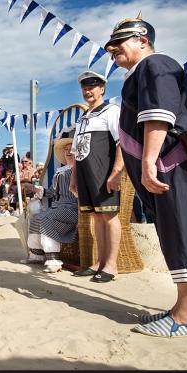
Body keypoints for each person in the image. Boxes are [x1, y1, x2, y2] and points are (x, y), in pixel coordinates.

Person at [104, 13, 187, 337]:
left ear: (142, 40)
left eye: (119, 45)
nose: (113, 53)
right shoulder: (139, 73)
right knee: (174, 233)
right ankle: (182, 306)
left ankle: (185, 316)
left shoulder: (155, 64)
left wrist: (149, 161)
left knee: (181, 233)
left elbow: (160, 115)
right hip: (166, 166)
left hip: (172, 164)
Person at [70, 70, 123, 283]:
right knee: (97, 217)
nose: (87, 90)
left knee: (109, 217)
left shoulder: (111, 111)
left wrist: (117, 172)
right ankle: (99, 262)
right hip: (85, 173)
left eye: (92, 86)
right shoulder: (82, 118)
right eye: (84, 87)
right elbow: (75, 152)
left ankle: (112, 265)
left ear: (102, 89)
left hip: (104, 173)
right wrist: (74, 177)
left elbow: (122, 143)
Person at [21, 128, 78, 273]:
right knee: (36, 218)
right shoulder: (60, 171)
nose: (68, 151)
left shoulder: (81, 169)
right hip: (58, 208)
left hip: (74, 209)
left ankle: (53, 260)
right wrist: (42, 191)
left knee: (45, 218)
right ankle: (37, 256)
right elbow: (53, 193)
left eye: (71, 148)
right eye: (66, 149)